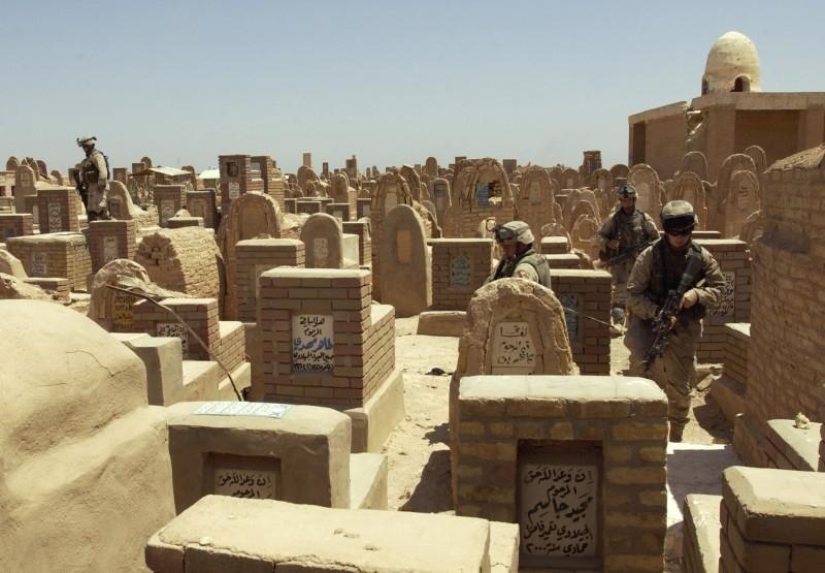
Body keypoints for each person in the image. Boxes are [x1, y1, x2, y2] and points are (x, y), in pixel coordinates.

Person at [624, 200, 726, 442]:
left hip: (684, 327)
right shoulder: (650, 257)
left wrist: (696, 295)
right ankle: (639, 435)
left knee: (680, 386)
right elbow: (632, 295)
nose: (679, 237)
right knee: (641, 375)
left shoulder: (702, 258)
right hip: (650, 324)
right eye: (674, 232)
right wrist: (657, 312)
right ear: (665, 230)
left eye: (685, 231)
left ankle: (676, 436)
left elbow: (720, 289)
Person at [597, 184, 660, 323]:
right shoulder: (613, 219)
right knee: (619, 296)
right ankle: (618, 325)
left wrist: (645, 251)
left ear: (634, 200)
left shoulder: (644, 218)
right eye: (623, 200)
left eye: (629, 200)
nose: (626, 203)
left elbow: (656, 239)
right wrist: (608, 243)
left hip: (640, 264)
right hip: (620, 265)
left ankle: (635, 325)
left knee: (638, 294)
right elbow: (600, 236)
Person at [486, 220, 552, 289]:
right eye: (503, 244)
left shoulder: (524, 269)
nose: (504, 247)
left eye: (509, 244)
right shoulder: (509, 261)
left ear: (522, 244)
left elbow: (517, 297)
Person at [76, 135, 110, 221]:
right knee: (91, 212)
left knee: (98, 210)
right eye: (83, 147)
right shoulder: (88, 159)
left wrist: (101, 186)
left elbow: (103, 172)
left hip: (98, 188)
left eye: (85, 146)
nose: (84, 149)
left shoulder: (97, 156)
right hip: (91, 188)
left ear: (90, 145)